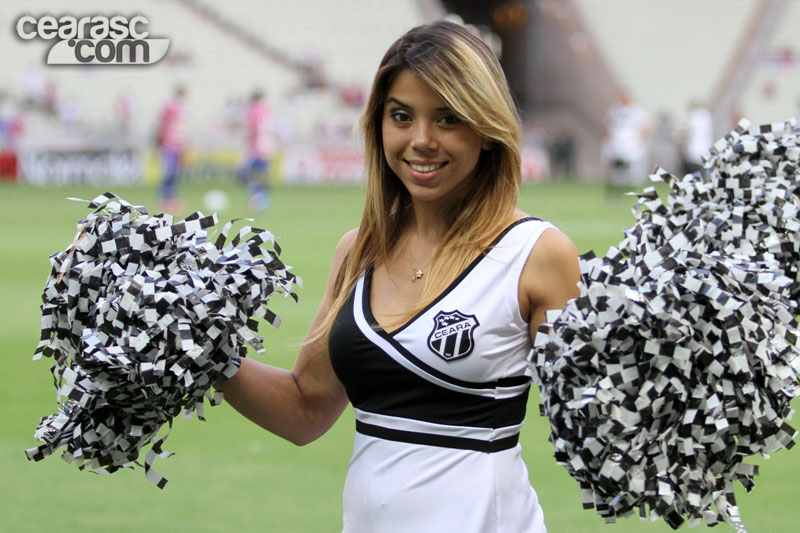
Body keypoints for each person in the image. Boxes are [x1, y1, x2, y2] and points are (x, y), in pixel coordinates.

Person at [217, 20, 580, 532]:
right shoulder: (358, 251)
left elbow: (600, 417)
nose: (421, 140)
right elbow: (303, 410)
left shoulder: (537, 255)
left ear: (488, 130)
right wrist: (197, 348)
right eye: (402, 116)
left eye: (449, 118)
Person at [602, 91, 651, 192]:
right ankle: (617, 185)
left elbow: (646, 127)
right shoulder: (614, 110)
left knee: (632, 167)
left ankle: (631, 185)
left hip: (632, 144)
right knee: (617, 167)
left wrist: (641, 140)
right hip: (617, 143)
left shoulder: (637, 111)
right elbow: (607, 126)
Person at [238, 89, 274, 211]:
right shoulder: (267, 110)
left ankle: (257, 198)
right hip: (267, 146)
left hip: (256, 147)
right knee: (262, 173)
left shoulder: (253, 111)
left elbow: (252, 129)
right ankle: (262, 198)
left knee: (248, 174)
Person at [156, 85, 187, 211]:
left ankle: (170, 198)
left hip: (175, 145)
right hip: (170, 145)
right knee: (169, 172)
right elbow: (163, 125)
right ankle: (165, 199)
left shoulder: (178, 108)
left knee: (174, 173)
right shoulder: (171, 107)